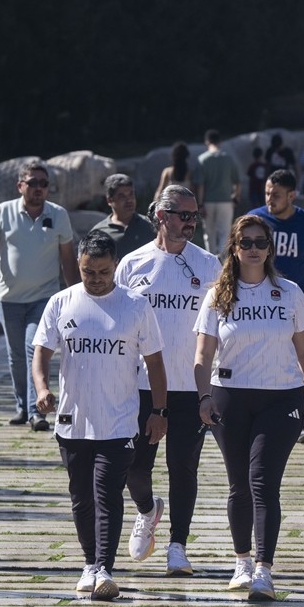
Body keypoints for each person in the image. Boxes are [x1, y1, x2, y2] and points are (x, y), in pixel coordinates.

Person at [194, 215, 304, 601]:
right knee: (239, 483)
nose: (253, 249)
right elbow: (203, 354)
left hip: (282, 397)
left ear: (270, 249)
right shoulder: (218, 296)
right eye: (246, 242)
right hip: (230, 396)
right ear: (234, 249)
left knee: (263, 481)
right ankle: (242, 562)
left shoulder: (290, 293)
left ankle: (265, 570)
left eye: (260, 242)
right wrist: (203, 396)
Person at [31, 231, 167, 600]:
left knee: (107, 492)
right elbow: (41, 352)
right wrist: (42, 389)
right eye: (88, 272)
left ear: (115, 266)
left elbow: (155, 362)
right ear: (78, 266)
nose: (96, 279)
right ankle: (89, 564)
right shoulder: (62, 303)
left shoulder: (135, 305)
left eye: (104, 272)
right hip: (73, 420)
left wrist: (159, 410)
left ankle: (105, 569)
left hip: (119, 421)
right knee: (81, 496)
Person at [116, 185, 222, 576]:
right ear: (161, 216)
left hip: (191, 386)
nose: (191, 222)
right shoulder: (133, 264)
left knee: (183, 467)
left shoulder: (208, 265)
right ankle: (147, 510)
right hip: (142, 385)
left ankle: (178, 546)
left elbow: (222, 324)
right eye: (184, 215)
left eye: (195, 215)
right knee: (133, 466)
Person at [0, 162, 79, 430]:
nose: (38, 188)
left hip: (44, 297)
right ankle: (22, 406)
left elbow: (68, 258)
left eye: (43, 184)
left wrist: (76, 293)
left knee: (35, 349)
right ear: (20, 186)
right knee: (16, 356)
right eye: (32, 183)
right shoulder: (3, 211)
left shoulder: (58, 215)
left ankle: (36, 411)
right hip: (8, 297)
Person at [249, 170, 304, 445]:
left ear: (292, 195)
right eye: (267, 193)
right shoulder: (255, 220)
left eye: (276, 195)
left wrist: (296, 288)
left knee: (299, 357)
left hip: (295, 304)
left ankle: (300, 415)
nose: (269, 199)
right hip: (258, 302)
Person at [194, 129, 240, 258]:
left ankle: (211, 257)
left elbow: (200, 185)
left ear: (206, 142)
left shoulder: (202, 159)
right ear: (220, 142)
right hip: (226, 201)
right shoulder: (228, 159)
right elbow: (237, 181)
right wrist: (236, 195)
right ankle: (222, 258)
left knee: (209, 233)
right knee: (225, 232)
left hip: (208, 201)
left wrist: (200, 203)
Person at [89, 174, 154, 260]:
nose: (129, 200)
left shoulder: (150, 226)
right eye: (122, 196)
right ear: (109, 200)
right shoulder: (99, 233)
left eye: (131, 194)